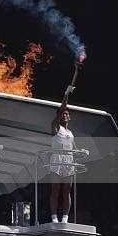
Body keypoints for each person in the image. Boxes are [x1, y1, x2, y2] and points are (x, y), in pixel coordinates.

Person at [49, 85, 76, 223]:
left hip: (69, 161)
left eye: (67, 113)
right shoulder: (55, 127)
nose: (64, 115)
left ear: (69, 117)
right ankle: (54, 218)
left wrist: (81, 151)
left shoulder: (71, 133)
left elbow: (73, 148)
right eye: (62, 113)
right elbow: (60, 110)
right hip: (57, 160)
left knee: (67, 191)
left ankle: (65, 218)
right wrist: (66, 94)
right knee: (55, 190)